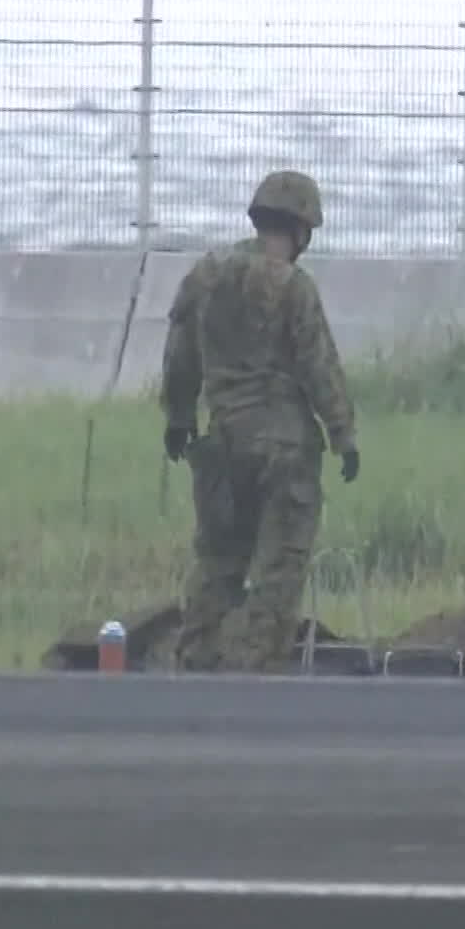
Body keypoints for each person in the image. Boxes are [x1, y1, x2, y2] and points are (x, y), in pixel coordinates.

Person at [160, 170, 359, 673]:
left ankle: (197, 661)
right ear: (300, 230)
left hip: (221, 442)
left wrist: (179, 416)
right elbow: (320, 368)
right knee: (278, 570)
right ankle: (252, 676)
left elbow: (180, 354)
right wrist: (343, 435)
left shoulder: (207, 275)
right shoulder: (294, 286)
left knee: (218, 562)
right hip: (284, 449)